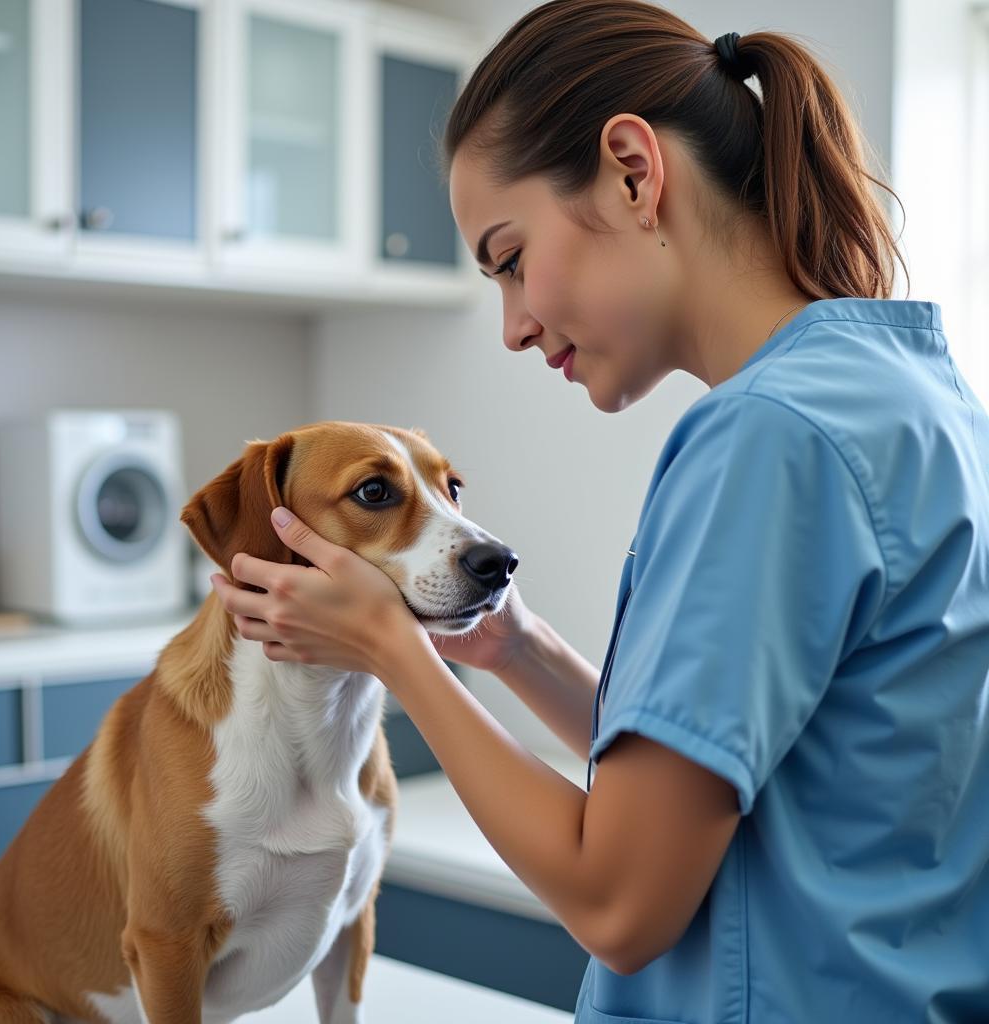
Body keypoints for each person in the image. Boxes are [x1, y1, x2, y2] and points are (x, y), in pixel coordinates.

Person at [210, 1, 989, 1019]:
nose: (513, 325)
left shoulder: (764, 439)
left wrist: (391, 650)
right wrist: (515, 647)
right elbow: (725, 778)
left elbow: (618, 901)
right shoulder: (915, 393)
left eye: (509, 258)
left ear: (632, 169)